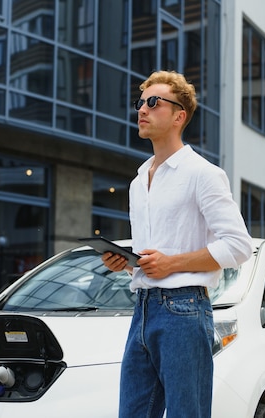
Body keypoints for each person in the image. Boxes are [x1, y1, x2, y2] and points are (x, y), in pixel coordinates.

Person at [102, 70, 253, 418]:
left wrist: (172, 263)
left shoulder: (203, 174)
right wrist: (126, 262)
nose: (142, 109)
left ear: (178, 116)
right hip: (142, 309)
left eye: (153, 103)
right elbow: (151, 251)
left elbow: (239, 246)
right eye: (140, 103)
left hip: (183, 312)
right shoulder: (138, 181)